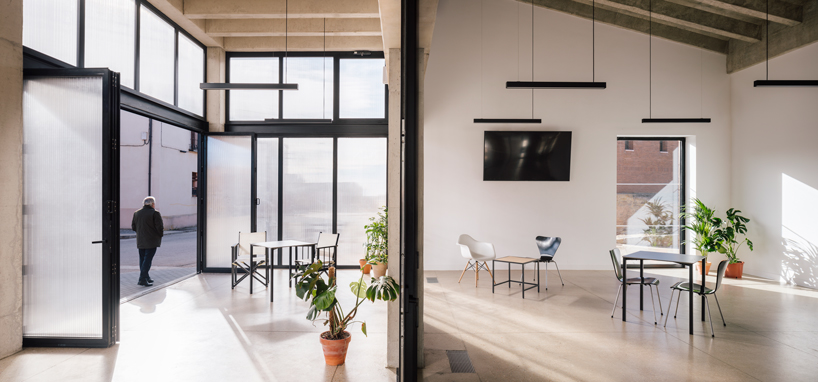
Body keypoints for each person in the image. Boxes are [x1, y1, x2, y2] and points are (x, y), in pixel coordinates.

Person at [132, 196, 164, 287]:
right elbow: (159, 227)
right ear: (152, 204)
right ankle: (142, 279)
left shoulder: (136, 213)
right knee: (147, 260)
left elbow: (133, 227)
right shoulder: (155, 213)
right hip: (151, 240)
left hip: (141, 240)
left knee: (143, 260)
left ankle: (146, 277)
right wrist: (159, 235)